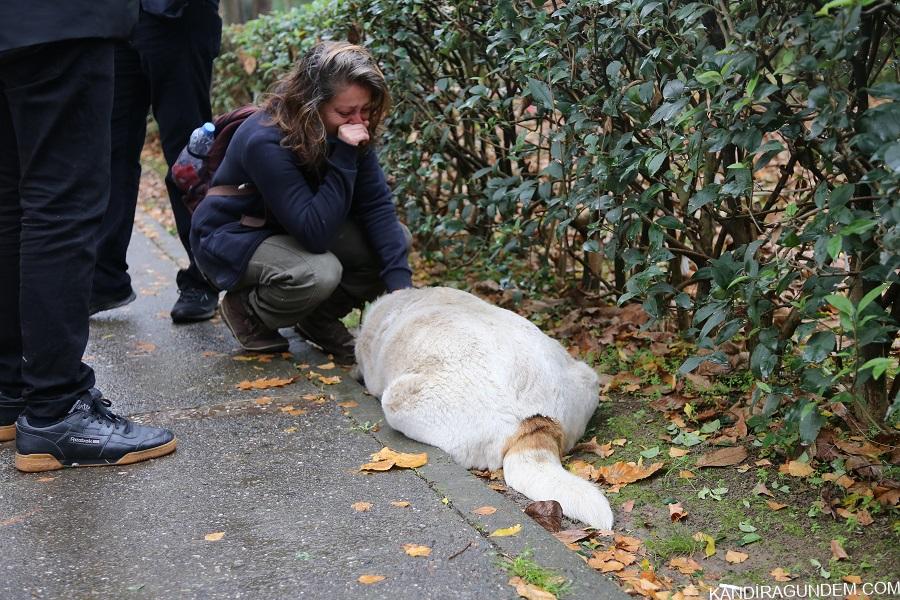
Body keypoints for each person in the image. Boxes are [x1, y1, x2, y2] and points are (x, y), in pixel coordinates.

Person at [0, 1, 177, 471]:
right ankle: (56, 409)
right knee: (63, 204)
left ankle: (10, 388)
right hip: (61, 19)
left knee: (12, 202)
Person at [190, 41, 413, 363]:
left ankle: (318, 320)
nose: (358, 122)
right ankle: (249, 312)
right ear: (312, 104)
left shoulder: (348, 127)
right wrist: (346, 154)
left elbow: (376, 206)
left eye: (365, 110)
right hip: (233, 234)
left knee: (394, 242)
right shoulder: (265, 140)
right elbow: (314, 234)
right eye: (346, 112)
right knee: (318, 271)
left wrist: (401, 296)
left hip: (291, 223)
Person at [90, 0, 223, 323]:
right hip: (118, 21)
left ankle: (205, 276)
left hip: (179, 16)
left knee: (189, 152)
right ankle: (105, 279)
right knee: (112, 152)